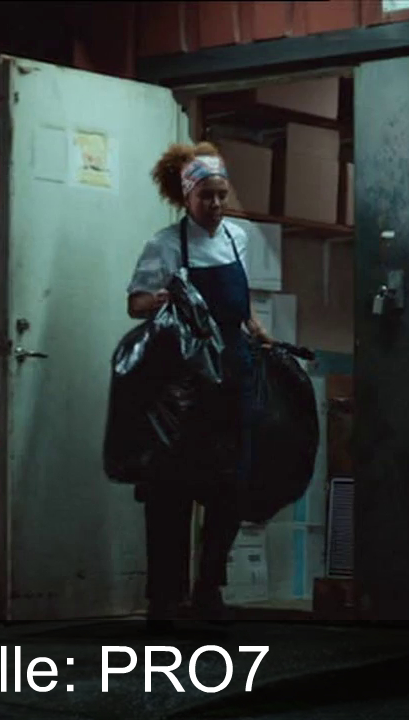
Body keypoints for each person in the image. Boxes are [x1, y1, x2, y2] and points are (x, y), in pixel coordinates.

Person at [126, 141, 273, 631]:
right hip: (183, 385)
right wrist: (163, 298)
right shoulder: (165, 245)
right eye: (206, 195)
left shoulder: (237, 238)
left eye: (221, 195)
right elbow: (135, 304)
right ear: (186, 197)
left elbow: (240, 306)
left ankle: (209, 590)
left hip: (232, 374)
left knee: (229, 488)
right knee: (171, 490)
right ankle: (164, 601)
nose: (215, 204)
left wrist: (256, 329)